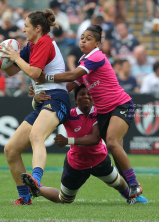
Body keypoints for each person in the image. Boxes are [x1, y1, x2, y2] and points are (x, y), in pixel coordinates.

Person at [36, 25, 143, 199]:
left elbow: (71, 76)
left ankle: (133, 185)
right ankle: (132, 191)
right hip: (103, 112)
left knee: (112, 143)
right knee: (115, 149)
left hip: (121, 105)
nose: (83, 40)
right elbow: (67, 88)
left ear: (97, 43)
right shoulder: (84, 62)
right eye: (82, 37)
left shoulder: (97, 57)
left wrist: (45, 77)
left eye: (88, 38)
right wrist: (42, 92)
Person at [0, 9, 71, 205]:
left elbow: (34, 73)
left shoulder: (45, 42)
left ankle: (35, 180)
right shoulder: (32, 45)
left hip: (57, 99)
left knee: (36, 135)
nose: (23, 30)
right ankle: (25, 197)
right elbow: (10, 71)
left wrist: (16, 56)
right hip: (44, 101)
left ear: (37, 28)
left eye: (26, 26)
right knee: (10, 149)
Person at [30, 84, 148, 204]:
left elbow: (95, 138)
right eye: (82, 94)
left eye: (89, 94)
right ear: (75, 99)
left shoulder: (99, 113)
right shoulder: (68, 115)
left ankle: (132, 197)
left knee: (119, 183)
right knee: (64, 199)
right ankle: (37, 188)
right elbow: (46, 116)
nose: (86, 97)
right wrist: (36, 98)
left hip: (99, 160)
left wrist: (67, 141)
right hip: (76, 164)